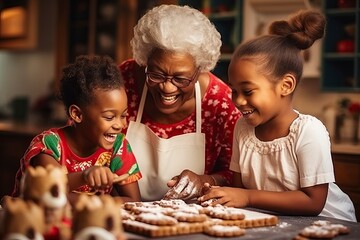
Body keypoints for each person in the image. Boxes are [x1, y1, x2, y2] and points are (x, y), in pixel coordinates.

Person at [198, 10, 357, 222]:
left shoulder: (308, 131)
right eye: (234, 90)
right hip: (277, 222)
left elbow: (313, 202)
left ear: (286, 85)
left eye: (248, 91)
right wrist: (220, 192)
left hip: (329, 223)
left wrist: (247, 197)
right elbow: (239, 189)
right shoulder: (242, 129)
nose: (238, 101)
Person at [119, 4, 241, 201]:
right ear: (145, 62)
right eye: (156, 74)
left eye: (181, 78)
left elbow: (235, 175)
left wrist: (205, 180)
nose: (167, 88)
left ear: (200, 70)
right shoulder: (124, 81)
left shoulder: (221, 103)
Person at [12, 55, 142, 203]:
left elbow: (133, 201)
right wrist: (85, 176)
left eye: (124, 115)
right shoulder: (50, 146)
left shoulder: (119, 146)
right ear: (77, 114)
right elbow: (49, 191)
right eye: (109, 117)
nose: (120, 125)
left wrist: (95, 207)